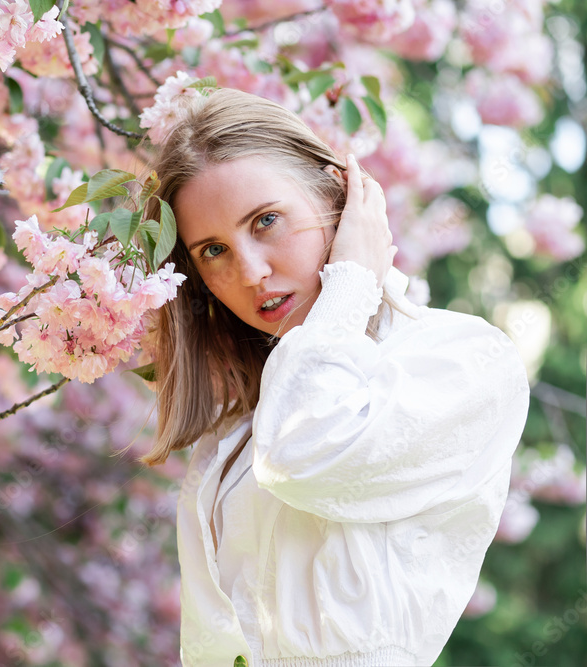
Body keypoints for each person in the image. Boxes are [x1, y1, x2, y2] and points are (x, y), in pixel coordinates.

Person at [138, 88, 531, 666]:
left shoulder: (462, 359)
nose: (250, 271)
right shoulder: (234, 432)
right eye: (213, 250)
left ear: (338, 198)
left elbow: (302, 457)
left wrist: (350, 283)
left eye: (266, 220)